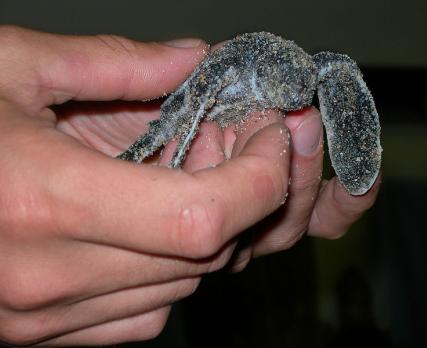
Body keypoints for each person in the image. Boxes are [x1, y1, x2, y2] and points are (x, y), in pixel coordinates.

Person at [0, 26, 380, 346]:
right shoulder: (240, 62)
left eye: (303, 93)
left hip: (239, 116)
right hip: (205, 94)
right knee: (160, 136)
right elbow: (191, 99)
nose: (298, 102)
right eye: (291, 92)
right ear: (270, 77)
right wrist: (171, 156)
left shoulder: (303, 72)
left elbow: (331, 69)